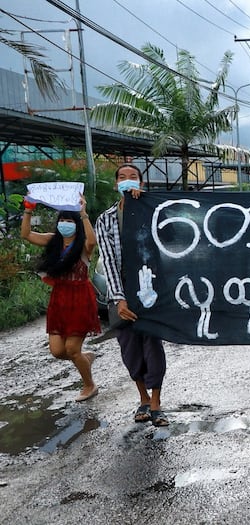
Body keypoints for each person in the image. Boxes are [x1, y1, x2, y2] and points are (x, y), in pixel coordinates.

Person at [95, 164, 169, 426]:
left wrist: (144, 207)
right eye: (122, 178)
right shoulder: (104, 220)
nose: (128, 182)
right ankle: (143, 398)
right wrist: (118, 298)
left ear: (141, 182)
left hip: (150, 287)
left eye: (133, 177)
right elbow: (109, 261)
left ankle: (157, 402)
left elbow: (168, 244)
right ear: (116, 184)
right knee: (129, 347)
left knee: (152, 343)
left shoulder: (154, 213)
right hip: (120, 290)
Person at [21, 195, 101, 402]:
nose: (65, 224)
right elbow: (26, 234)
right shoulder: (52, 240)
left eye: (70, 221)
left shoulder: (83, 245)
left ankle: (89, 385)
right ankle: (84, 359)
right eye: (62, 221)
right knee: (57, 351)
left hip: (81, 299)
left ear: (77, 224)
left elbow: (93, 240)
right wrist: (28, 209)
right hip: (59, 299)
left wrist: (83, 214)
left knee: (72, 349)